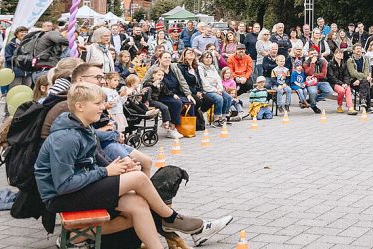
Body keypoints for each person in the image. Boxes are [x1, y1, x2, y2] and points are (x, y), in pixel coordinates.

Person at [34, 83, 209, 249]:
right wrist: (106, 172)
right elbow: (63, 184)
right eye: (98, 103)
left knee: (138, 205)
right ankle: (170, 218)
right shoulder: (66, 139)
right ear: (79, 106)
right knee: (139, 178)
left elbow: (91, 162)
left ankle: (77, 236)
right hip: (61, 197)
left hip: (78, 189)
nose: (103, 107)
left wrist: (120, 167)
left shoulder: (83, 128)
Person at [142, 52, 194, 139]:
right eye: (165, 57)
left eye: (169, 57)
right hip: (159, 95)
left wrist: (188, 94)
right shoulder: (154, 69)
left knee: (190, 101)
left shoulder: (174, 67)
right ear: (160, 59)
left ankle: (184, 127)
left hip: (173, 93)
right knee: (177, 103)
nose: (167, 59)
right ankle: (171, 128)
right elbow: (144, 82)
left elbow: (182, 81)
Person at [199, 52, 233, 126]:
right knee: (219, 98)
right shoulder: (200, 68)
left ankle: (223, 117)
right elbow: (204, 82)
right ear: (202, 59)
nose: (208, 59)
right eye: (206, 57)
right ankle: (216, 119)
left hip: (217, 89)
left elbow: (218, 79)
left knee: (228, 97)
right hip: (207, 90)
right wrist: (216, 90)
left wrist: (220, 89)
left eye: (210, 57)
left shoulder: (213, 67)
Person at [327, 48, 357, 115]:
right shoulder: (330, 64)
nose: (341, 54)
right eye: (339, 53)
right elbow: (331, 77)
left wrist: (346, 83)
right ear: (335, 54)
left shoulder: (344, 63)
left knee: (348, 89)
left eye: (342, 53)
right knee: (341, 91)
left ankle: (350, 108)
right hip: (334, 83)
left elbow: (347, 75)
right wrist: (341, 84)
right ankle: (339, 106)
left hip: (344, 83)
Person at [303, 49, 332, 114]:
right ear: (308, 55)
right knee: (313, 92)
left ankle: (311, 100)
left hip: (322, 81)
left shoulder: (323, 62)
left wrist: (313, 75)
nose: (314, 55)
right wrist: (312, 63)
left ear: (318, 54)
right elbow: (309, 73)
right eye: (311, 54)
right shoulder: (306, 63)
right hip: (311, 83)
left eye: (315, 53)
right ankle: (313, 106)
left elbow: (323, 75)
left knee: (329, 91)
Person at [346, 45, 373, 113]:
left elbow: (366, 71)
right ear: (353, 51)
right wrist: (363, 77)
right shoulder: (350, 60)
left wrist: (360, 79)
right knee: (366, 82)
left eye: (360, 49)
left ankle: (363, 100)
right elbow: (353, 73)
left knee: (365, 82)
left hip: (362, 80)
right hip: (353, 80)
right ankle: (368, 107)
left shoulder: (365, 59)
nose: (359, 50)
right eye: (357, 49)